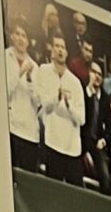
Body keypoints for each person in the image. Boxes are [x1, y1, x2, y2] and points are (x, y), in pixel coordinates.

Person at [31, 33, 85, 185]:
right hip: (52, 142)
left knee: (75, 192)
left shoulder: (75, 82)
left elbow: (82, 119)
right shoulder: (43, 71)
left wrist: (69, 105)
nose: (60, 50)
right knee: (53, 188)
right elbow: (42, 105)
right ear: (52, 49)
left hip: (72, 148)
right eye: (57, 46)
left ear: (67, 52)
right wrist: (57, 98)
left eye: (63, 47)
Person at [4, 21, 41, 173]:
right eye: (17, 34)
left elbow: (38, 102)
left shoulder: (35, 66)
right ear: (12, 36)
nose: (20, 38)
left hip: (30, 133)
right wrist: (20, 73)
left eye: (24, 36)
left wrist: (30, 79)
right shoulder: (5, 57)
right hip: (11, 127)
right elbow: (5, 91)